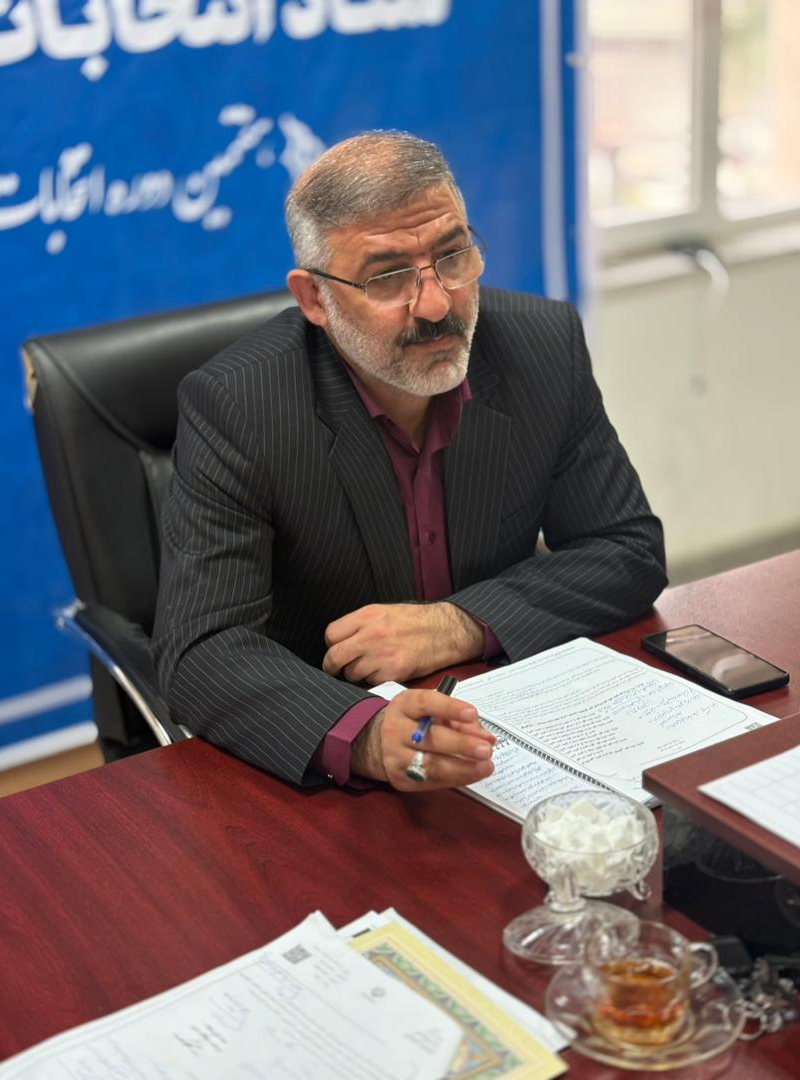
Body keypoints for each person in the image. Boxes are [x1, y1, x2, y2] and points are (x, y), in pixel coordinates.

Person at [153, 131, 666, 793]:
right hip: (330, 756)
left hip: (507, 723)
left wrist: (458, 625)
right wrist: (364, 735)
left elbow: (626, 548)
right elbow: (201, 649)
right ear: (315, 300)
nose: (437, 304)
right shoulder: (239, 405)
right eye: (387, 276)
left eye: (453, 256)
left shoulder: (542, 344)